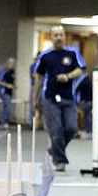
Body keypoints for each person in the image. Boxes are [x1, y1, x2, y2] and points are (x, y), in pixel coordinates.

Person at [32, 25, 85, 171]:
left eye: (61, 35)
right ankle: (60, 161)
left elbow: (80, 70)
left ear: (64, 36)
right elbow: (39, 78)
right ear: (51, 37)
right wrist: (34, 98)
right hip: (49, 98)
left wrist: (68, 76)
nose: (59, 38)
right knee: (56, 130)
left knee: (71, 128)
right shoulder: (45, 56)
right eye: (56, 35)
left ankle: (55, 149)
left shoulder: (72, 53)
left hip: (68, 97)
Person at [0, 57, 16, 129]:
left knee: (6, 107)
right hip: (3, 91)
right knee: (8, 107)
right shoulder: (3, 71)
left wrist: (14, 85)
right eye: (11, 63)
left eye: (13, 63)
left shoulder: (12, 71)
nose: (12, 65)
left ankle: (4, 122)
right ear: (8, 63)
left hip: (9, 92)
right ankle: (4, 122)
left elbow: (11, 80)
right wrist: (7, 85)